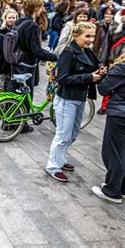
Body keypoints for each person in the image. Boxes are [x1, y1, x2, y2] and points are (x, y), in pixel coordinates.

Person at [45, 22, 102, 182]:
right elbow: (62, 78)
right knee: (63, 135)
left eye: (92, 36)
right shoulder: (68, 52)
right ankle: (53, 166)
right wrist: (89, 77)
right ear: (76, 36)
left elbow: (97, 64)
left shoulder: (87, 51)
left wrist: (101, 69)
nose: (91, 39)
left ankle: (61, 160)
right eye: (87, 36)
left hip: (80, 98)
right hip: (66, 99)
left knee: (73, 134)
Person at [7, 0, 58, 133]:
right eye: (41, 7)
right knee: (25, 95)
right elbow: (36, 50)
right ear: (37, 9)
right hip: (27, 65)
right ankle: (22, 124)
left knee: (14, 93)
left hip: (15, 61)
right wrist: (54, 57)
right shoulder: (33, 26)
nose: (42, 9)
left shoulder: (19, 22)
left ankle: (10, 121)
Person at [92, 53, 125, 204]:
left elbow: (104, 89)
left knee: (113, 152)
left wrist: (104, 76)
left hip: (120, 114)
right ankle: (122, 187)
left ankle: (112, 190)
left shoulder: (121, 68)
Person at [0, 9, 18, 93]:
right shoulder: (0, 30)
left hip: (10, 65)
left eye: (14, 17)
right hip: (0, 64)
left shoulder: (17, 31)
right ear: (5, 18)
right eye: (9, 17)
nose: (12, 19)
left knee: (7, 88)